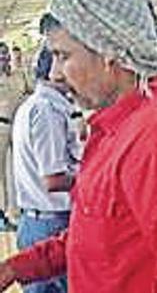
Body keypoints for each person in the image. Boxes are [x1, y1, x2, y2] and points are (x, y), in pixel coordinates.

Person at [0, 0, 157, 292]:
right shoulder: (116, 130)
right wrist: (15, 267)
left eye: (64, 56)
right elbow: (95, 239)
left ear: (108, 55)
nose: (58, 74)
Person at [10, 38, 80, 293]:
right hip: (51, 225)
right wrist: (99, 178)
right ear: (54, 69)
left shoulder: (38, 106)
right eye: (65, 58)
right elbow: (53, 179)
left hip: (40, 222)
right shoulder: (48, 111)